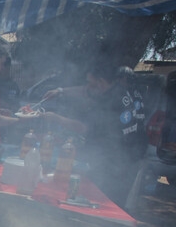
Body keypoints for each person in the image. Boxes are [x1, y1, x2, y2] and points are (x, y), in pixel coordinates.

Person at [40, 64, 146, 206]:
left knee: (105, 201)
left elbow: (84, 128)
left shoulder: (108, 102)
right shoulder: (122, 90)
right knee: (114, 200)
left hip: (116, 162)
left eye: (90, 82)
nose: (87, 86)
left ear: (101, 82)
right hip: (133, 155)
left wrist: (55, 118)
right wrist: (60, 91)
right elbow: (85, 91)